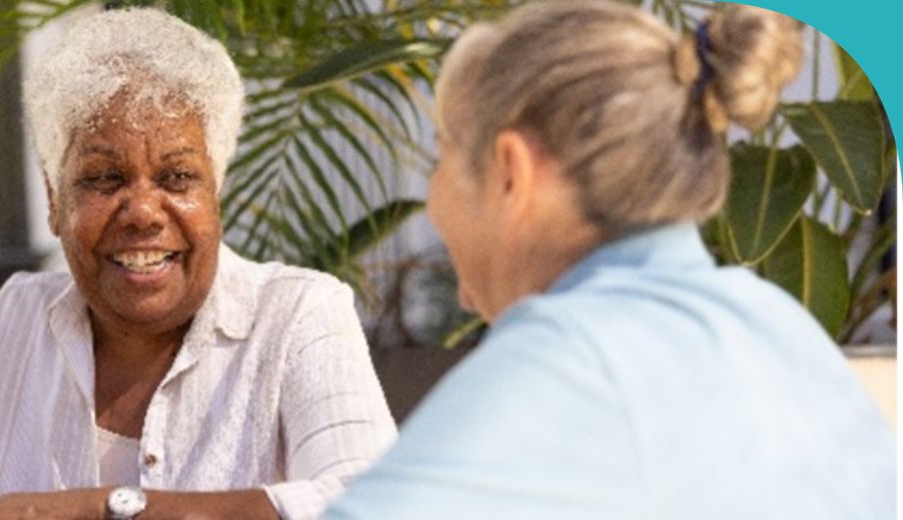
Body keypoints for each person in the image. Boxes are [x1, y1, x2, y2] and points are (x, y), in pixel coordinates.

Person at [0, 8, 396, 520]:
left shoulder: (298, 315)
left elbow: (375, 502)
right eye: (104, 178)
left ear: (217, 196)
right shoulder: (10, 325)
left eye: (178, 177)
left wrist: (87, 508)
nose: (141, 212)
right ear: (55, 203)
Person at [324, 1, 895, 518]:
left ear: (509, 173)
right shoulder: (780, 326)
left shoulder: (574, 349)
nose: (431, 194)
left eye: (439, 156)